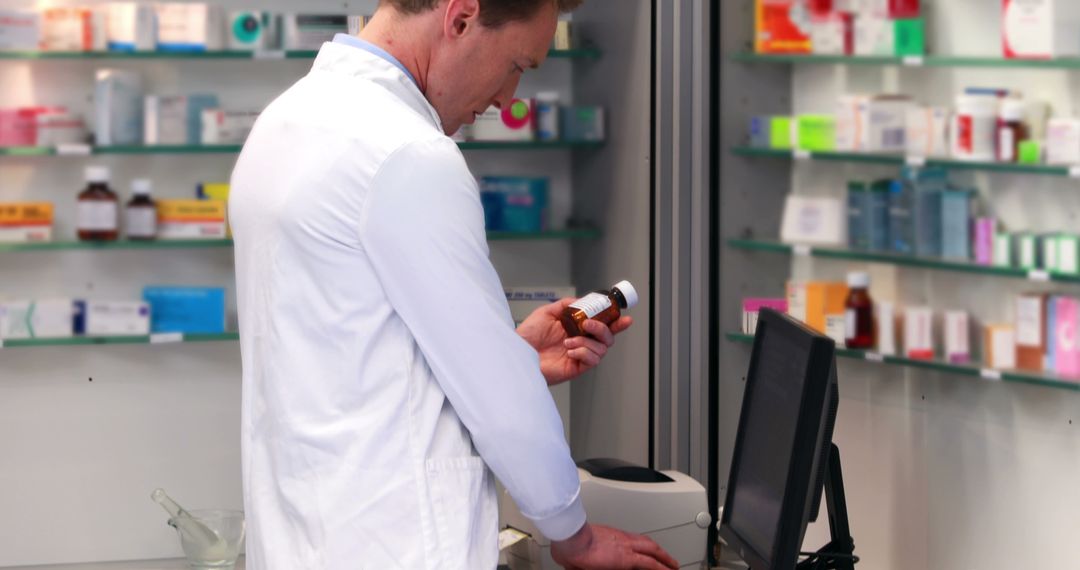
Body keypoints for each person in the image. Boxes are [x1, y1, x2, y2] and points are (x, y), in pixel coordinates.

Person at [229, 0, 679, 568]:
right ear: (461, 17)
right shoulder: (407, 153)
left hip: (306, 538)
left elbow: (352, 358)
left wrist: (511, 356)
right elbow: (503, 407)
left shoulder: (287, 121)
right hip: (395, 545)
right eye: (518, 64)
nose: (507, 98)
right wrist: (577, 538)